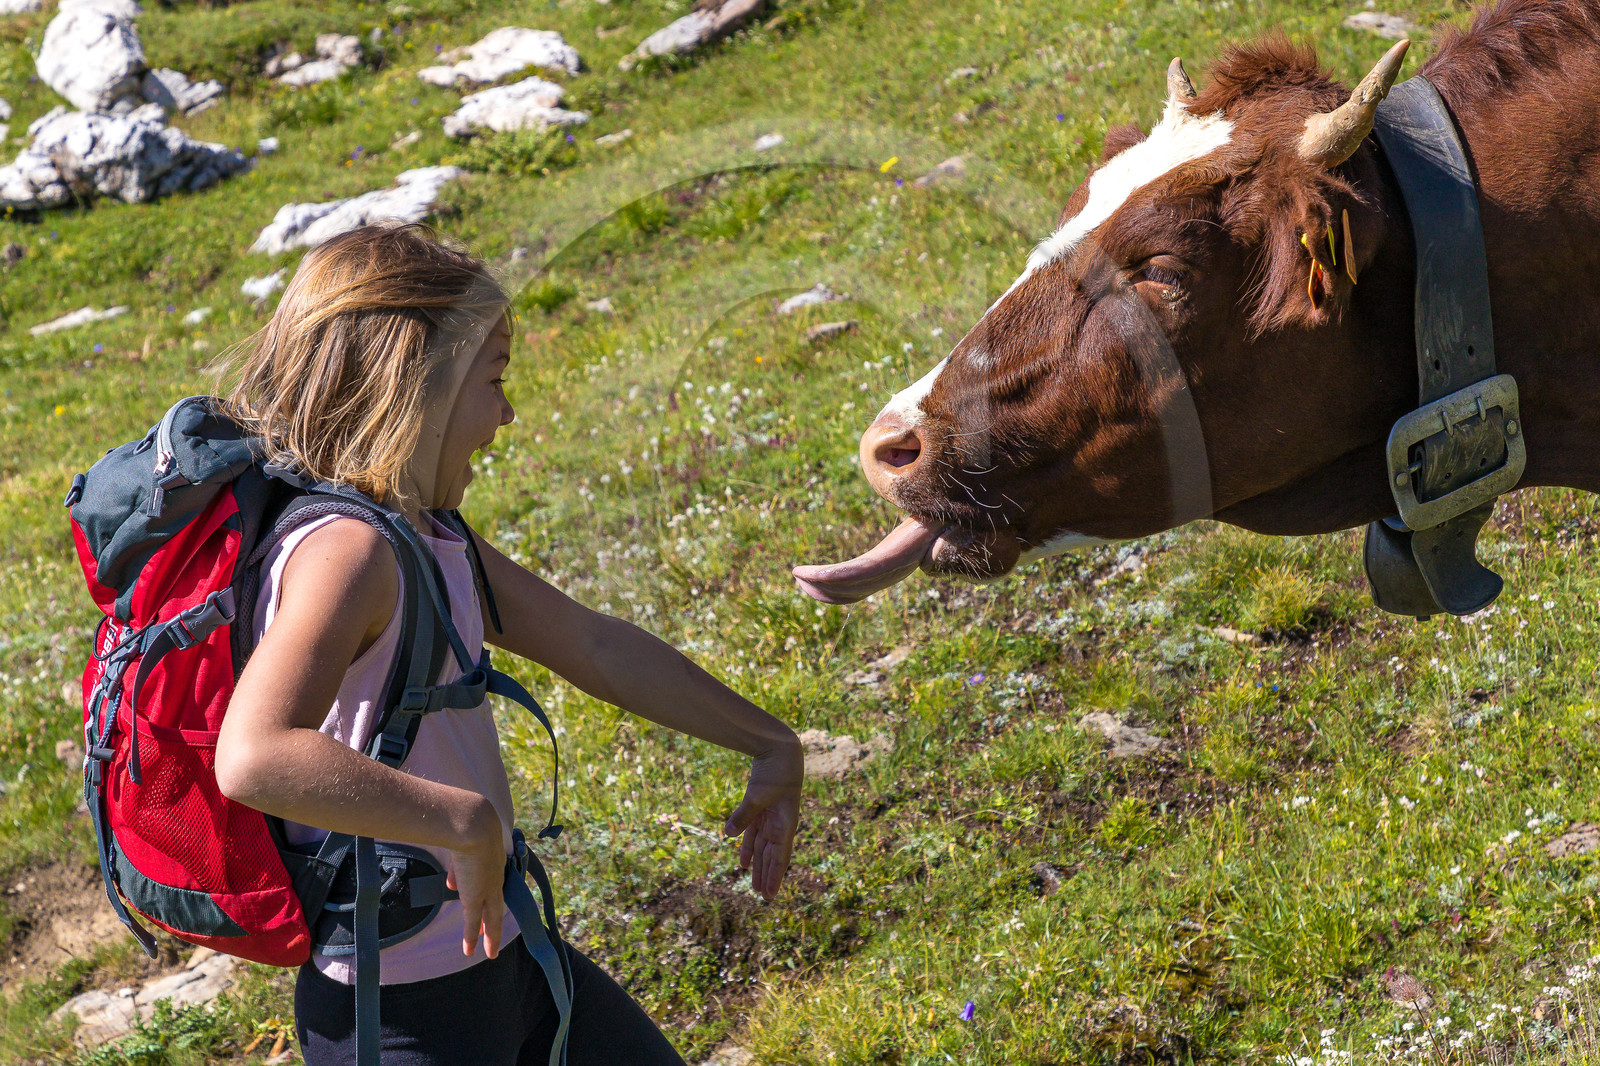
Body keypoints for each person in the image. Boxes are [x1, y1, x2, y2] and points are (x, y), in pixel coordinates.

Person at [211, 222, 804, 1066]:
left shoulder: (426, 532)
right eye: (493, 379)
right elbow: (255, 756)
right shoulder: (349, 552)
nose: (507, 413)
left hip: (507, 957)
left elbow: (593, 644)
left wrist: (770, 742)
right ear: (416, 384)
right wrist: (463, 821)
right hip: (399, 1009)